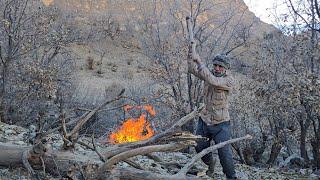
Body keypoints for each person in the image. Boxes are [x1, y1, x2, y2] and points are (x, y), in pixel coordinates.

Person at [188, 52, 236, 179]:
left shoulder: (229, 80)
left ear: (226, 68)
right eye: (215, 65)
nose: (217, 68)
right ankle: (211, 164)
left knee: (224, 154)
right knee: (199, 147)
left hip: (221, 123)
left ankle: (231, 177)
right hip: (205, 120)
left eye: (220, 66)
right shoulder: (209, 73)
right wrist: (190, 55)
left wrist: (199, 62)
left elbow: (213, 81)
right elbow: (191, 70)